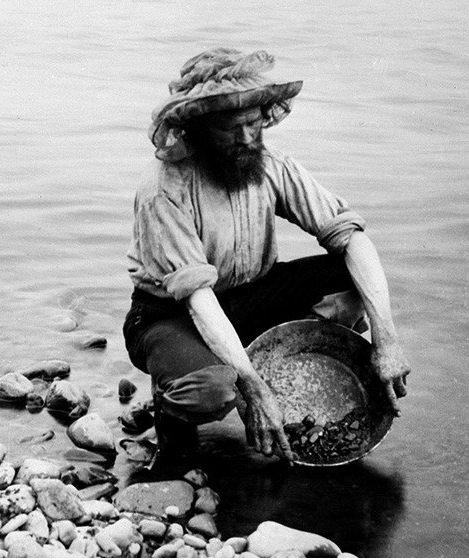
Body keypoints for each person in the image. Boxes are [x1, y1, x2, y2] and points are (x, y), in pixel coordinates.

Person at [123, 48, 411, 464]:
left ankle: (274, 365)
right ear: (198, 129)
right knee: (213, 392)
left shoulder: (271, 165)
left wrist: (386, 342)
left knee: (353, 275)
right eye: (229, 128)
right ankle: (174, 413)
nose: (245, 138)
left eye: (253, 123)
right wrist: (252, 389)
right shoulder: (163, 189)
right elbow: (198, 299)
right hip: (170, 314)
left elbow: (353, 238)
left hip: (254, 295)